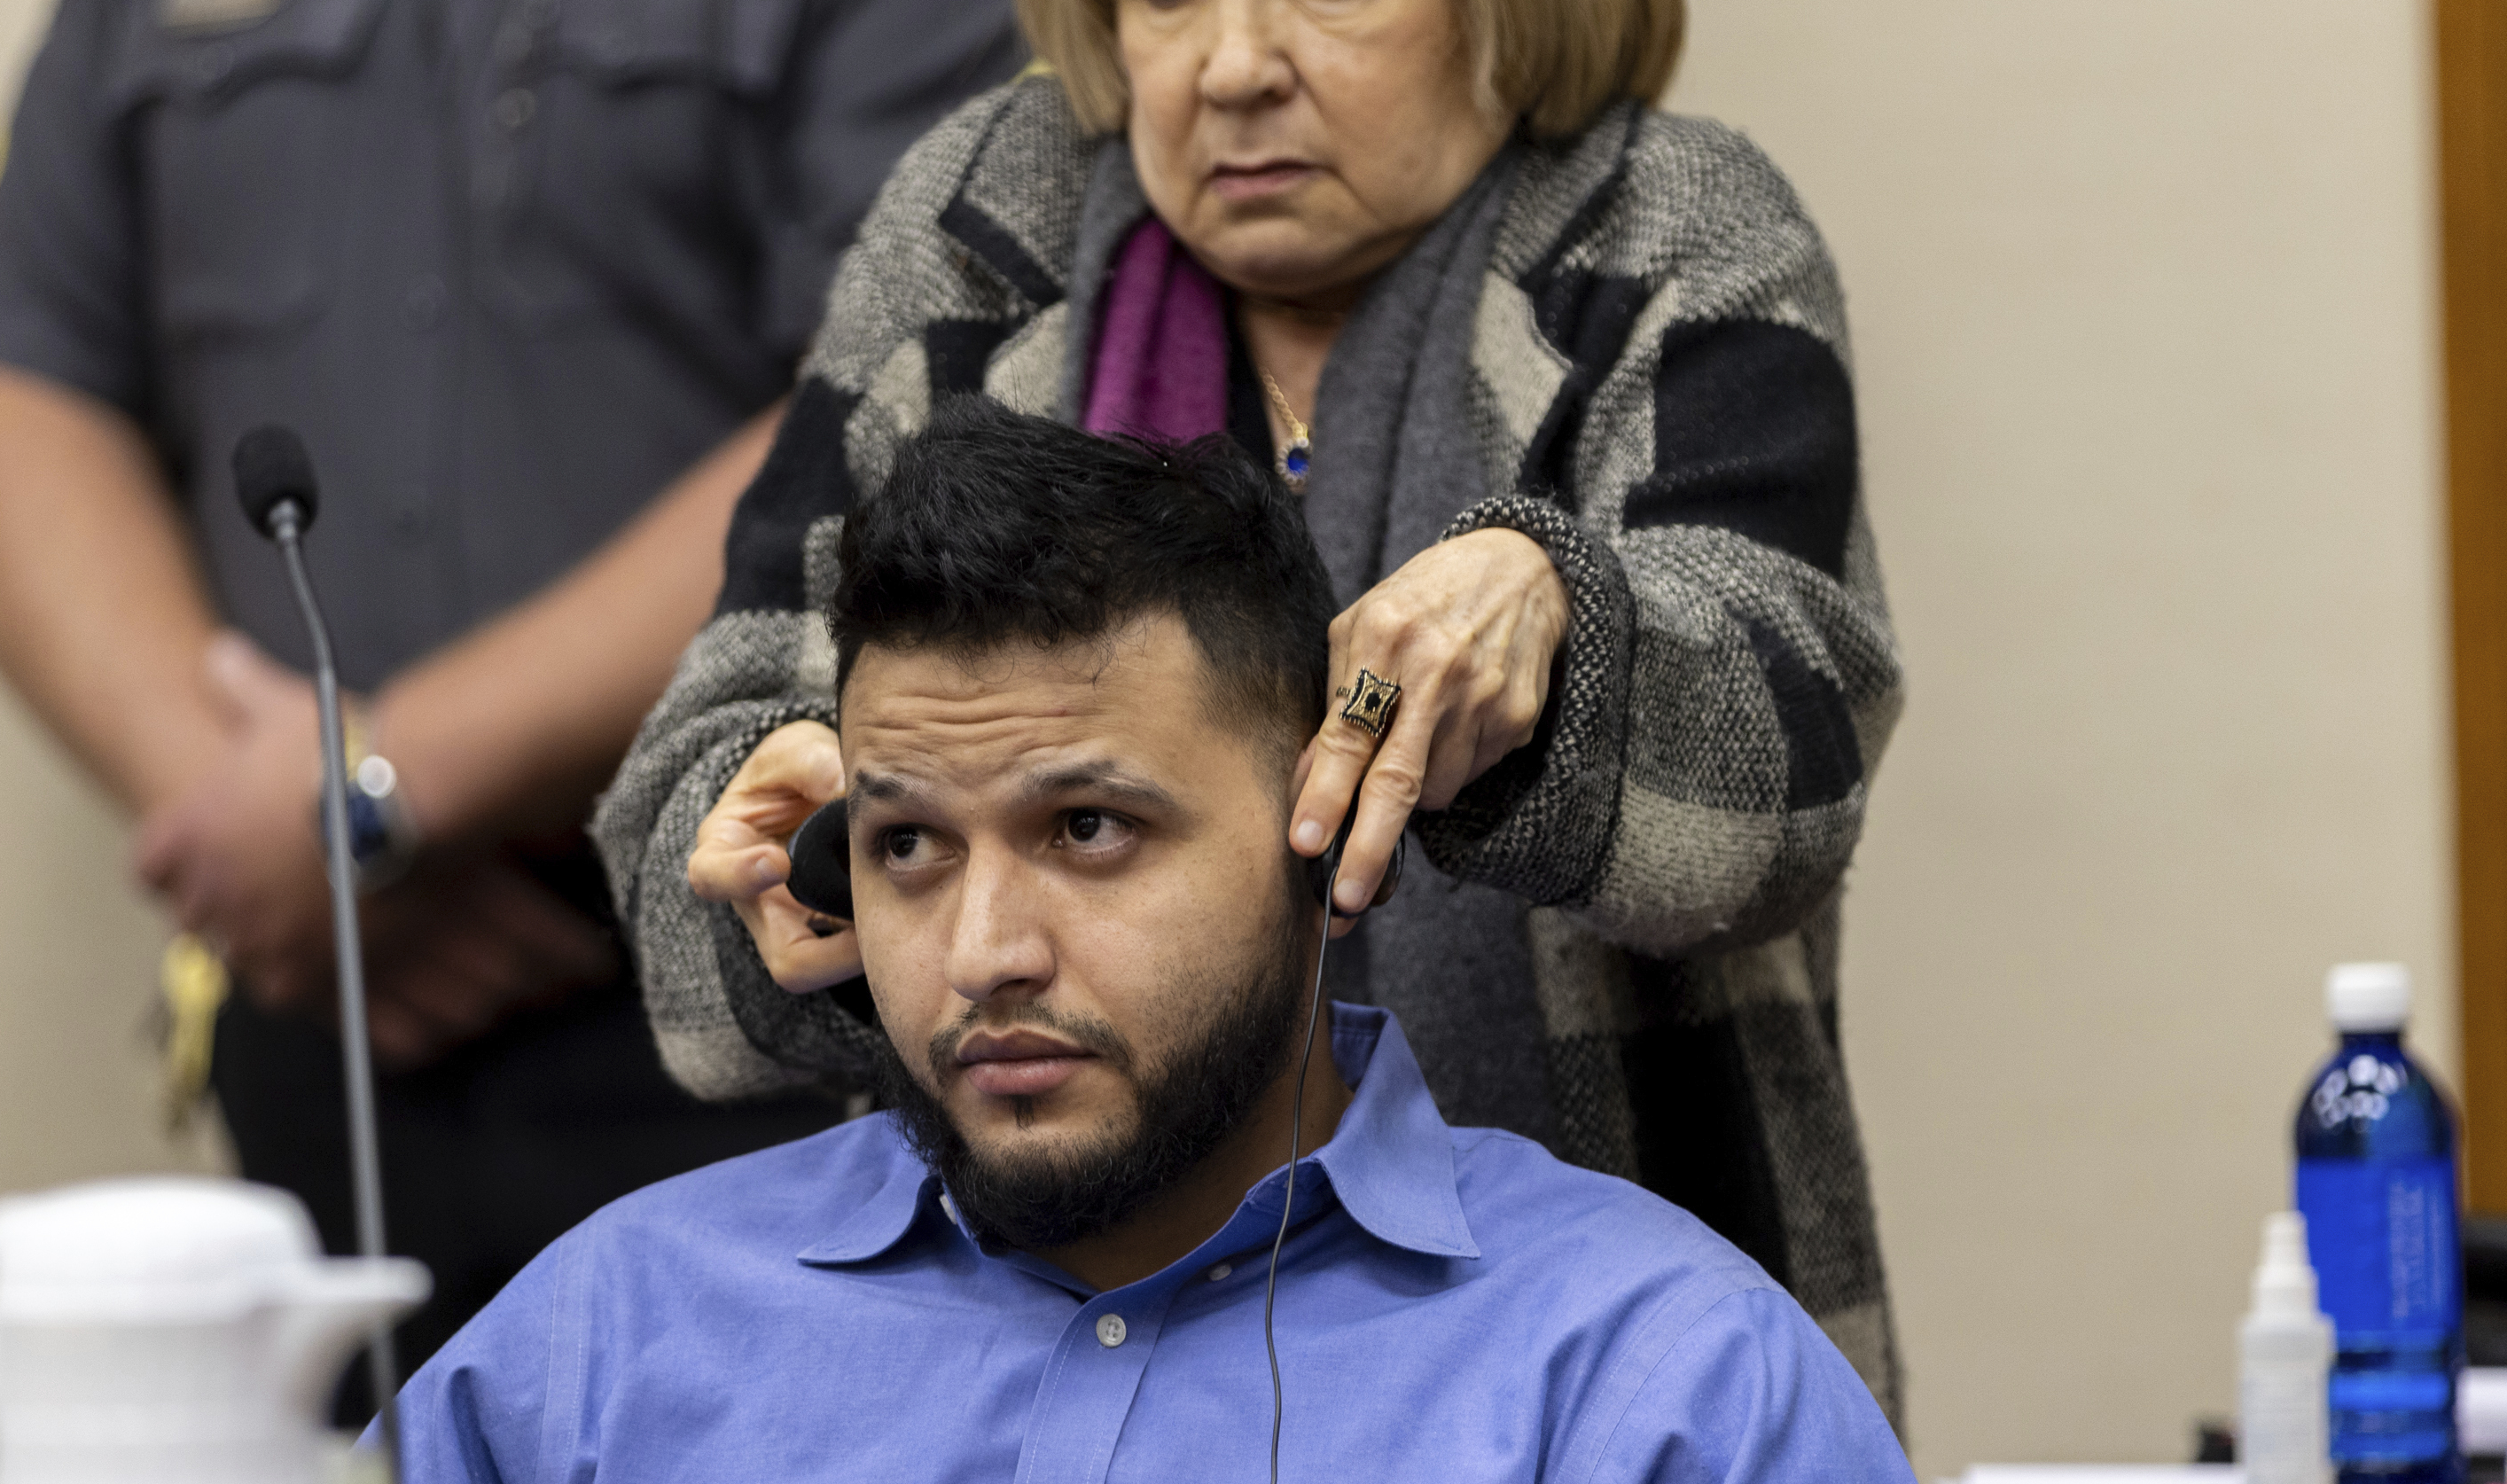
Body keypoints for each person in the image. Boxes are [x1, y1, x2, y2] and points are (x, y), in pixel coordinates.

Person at [600, 0, 1911, 1421]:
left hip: (1600, 1379)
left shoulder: (1668, 237)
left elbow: (1783, 792)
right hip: (1046, 1375)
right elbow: (690, 846)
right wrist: (814, 868)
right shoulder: (990, 239)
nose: (1228, 65)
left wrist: (1550, 638)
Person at [0, 0, 1072, 1382]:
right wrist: (271, 826)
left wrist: (379, 789)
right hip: (332, 1002)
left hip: (777, 983)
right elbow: (3, 410)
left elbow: (917, 412)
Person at [400, 404, 1914, 1480]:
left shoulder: (1650, 1391)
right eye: (908, 844)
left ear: (1324, 823)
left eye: (1088, 831)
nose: (982, 949)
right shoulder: (605, 1348)